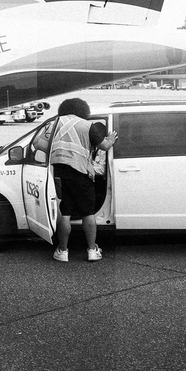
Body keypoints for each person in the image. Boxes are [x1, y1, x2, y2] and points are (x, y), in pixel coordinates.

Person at [49, 98, 118, 264]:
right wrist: (111, 139)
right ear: (83, 110)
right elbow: (105, 146)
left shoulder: (56, 124)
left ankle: (63, 251)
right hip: (82, 174)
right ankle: (92, 250)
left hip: (61, 175)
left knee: (65, 213)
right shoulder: (88, 126)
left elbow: (41, 143)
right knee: (88, 212)